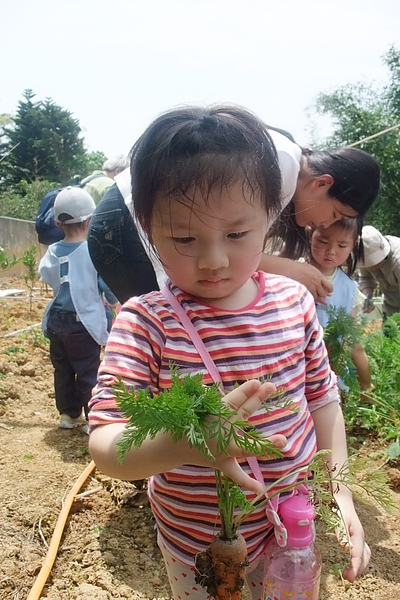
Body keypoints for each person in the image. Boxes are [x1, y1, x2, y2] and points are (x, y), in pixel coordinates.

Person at [88, 104, 370, 599]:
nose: (214, 260)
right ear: (146, 227)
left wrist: (340, 492)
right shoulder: (146, 322)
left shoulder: (293, 302)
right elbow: (107, 444)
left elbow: (323, 400)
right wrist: (187, 444)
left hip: (295, 529)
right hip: (197, 546)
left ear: (270, 215)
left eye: (237, 235)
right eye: (183, 238)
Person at [87, 111, 380, 305]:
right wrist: (291, 270)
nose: (324, 225)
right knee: (162, 332)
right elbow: (221, 240)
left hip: (121, 222)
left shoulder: (285, 164)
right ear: (323, 184)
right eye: (335, 215)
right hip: (125, 226)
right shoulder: (280, 162)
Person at [39, 187, 119, 431]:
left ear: (56, 222)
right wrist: (115, 304)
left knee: (62, 369)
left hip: (56, 321)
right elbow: (105, 285)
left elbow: (45, 273)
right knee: (88, 370)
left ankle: (68, 415)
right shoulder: (90, 251)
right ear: (89, 220)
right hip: (82, 324)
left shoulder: (52, 251)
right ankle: (92, 416)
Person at [307, 219, 373, 395]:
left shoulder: (348, 287)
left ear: (353, 246)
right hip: (297, 367)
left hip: (330, 369)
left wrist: (366, 387)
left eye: (342, 245)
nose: (331, 251)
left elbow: (352, 341)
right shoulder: (293, 273)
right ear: (309, 234)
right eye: (323, 241)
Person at [358, 225, 400, 320]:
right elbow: (366, 278)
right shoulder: (366, 251)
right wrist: (368, 297)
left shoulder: (397, 261)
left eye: (373, 261)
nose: (371, 266)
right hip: (390, 306)